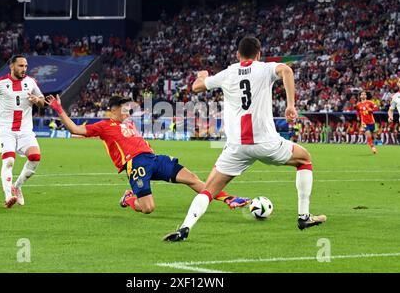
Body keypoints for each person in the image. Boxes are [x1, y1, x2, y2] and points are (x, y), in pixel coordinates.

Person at [163, 36, 326, 242]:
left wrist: (202, 75)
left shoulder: (228, 73)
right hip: (267, 143)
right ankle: (304, 217)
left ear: (238, 55)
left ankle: (185, 228)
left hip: (237, 147)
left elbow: (196, 87)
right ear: (259, 54)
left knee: (209, 190)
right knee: (304, 159)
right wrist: (290, 105)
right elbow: (287, 70)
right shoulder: (265, 68)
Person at [45, 94, 250, 214]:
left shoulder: (130, 123)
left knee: (192, 178)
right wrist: (59, 109)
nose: (128, 110)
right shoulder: (104, 126)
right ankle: (129, 198)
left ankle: (229, 199)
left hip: (153, 158)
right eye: (124, 108)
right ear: (114, 110)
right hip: (136, 165)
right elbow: (75, 129)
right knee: (148, 208)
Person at [0, 55, 44, 208]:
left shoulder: (30, 82)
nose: (24, 69)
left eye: (26, 66)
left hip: (25, 131)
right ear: (12, 66)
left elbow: (42, 101)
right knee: (9, 161)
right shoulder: (0, 83)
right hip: (6, 130)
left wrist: (37, 101)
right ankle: (8, 196)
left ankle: (17, 186)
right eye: (21, 66)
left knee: (35, 157)